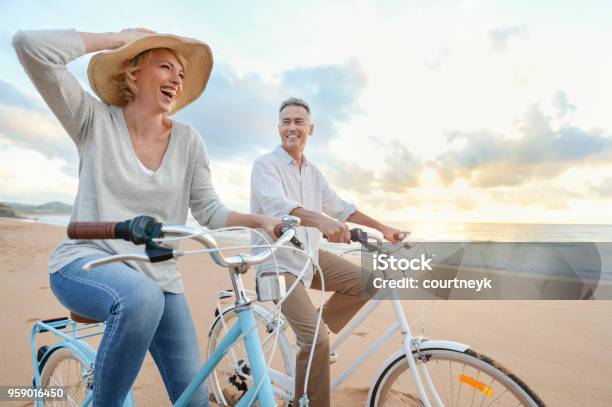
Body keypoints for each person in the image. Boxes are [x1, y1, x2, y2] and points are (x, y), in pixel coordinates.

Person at [13, 28, 279, 407]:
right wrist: (113, 39)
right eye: (166, 67)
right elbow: (30, 47)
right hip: (86, 262)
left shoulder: (189, 141)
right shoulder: (92, 120)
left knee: (194, 399)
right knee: (141, 298)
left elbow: (209, 210)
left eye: (182, 74)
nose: (176, 79)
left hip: (160, 278)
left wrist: (260, 221)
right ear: (133, 73)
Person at [250, 97, 406, 406]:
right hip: (276, 261)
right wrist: (321, 221)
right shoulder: (265, 165)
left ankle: (313, 334)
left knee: (369, 283)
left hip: (308, 256)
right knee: (316, 340)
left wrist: (383, 228)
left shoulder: (313, 172)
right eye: (286, 122)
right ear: (278, 128)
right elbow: (277, 207)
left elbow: (341, 208)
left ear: (311, 128)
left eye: (298, 122)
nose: (292, 127)